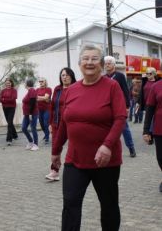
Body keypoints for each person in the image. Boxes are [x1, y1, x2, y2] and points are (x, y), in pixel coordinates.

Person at [52, 45, 126, 231]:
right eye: (85, 58)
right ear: (79, 64)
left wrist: (107, 145)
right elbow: (64, 123)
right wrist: (56, 151)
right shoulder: (71, 90)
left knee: (108, 205)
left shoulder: (112, 86)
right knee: (70, 204)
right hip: (75, 159)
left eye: (94, 59)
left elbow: (120, 118)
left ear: (101, 64)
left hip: (105, 161)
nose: (89, 62)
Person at [45, 67, 76, 181]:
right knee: (55, 147)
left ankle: (76, 170)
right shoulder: (57, 89)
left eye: (67, 75)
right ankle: (54, 171)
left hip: (72, 123)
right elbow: (52, 107)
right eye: (63, 75)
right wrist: (50, 123)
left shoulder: (76, 88)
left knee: (74, 147)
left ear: (71, 76)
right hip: (57, 123)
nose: (65, 77)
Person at [104, 55, 137, 158]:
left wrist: (127, 106)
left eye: (109, 63)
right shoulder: (103, 78)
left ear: (114, 64)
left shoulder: (120, 76)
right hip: (107, 108)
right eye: (106, 63)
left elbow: (125, 91)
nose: (107, 65)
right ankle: (109, 149)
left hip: (119, 107)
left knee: (124, 128)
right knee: (107, 129)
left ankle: (131, 148)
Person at [143, 78, 162, 192]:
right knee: (160, 157)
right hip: (159, 128)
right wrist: (146, 131)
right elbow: (149, 109)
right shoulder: (156, 86)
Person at [0, 78, 18, 146]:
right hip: (5, 108)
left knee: (9, 123)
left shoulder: (14, 90)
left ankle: (9, 139)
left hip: (12, 108)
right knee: (9, 122)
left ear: (11, 83)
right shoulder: (3, 91)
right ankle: (15, 135)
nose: (8, 84)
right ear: (5, 84)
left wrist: (4, 99)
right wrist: (6, 99)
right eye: (6, 83)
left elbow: (13, 99)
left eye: (9, 83)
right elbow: (0, 99)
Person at [22, 78, 39, 151]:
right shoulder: (29, 91)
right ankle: (31, 141)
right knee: (23, 128)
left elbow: (32, 103)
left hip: (32, 114)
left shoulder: (32, 90)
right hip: (27, 114)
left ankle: (36, 144)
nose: (24, 85)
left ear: (27, 84)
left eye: (25, 83)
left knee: (33, 128)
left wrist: (30, 114)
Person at [36, 77, 52, 145]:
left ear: (45, 82)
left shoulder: (48, 89)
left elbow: (46, 98)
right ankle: (46, 134)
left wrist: (39, 97)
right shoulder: (37, 89)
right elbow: (36, 98)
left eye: (42, 81)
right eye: (39, 81)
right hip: (39, 109)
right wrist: (44, 98)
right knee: (41, 123)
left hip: (47, 109)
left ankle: (47, 138)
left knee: (46, 123)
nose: (40, 82)